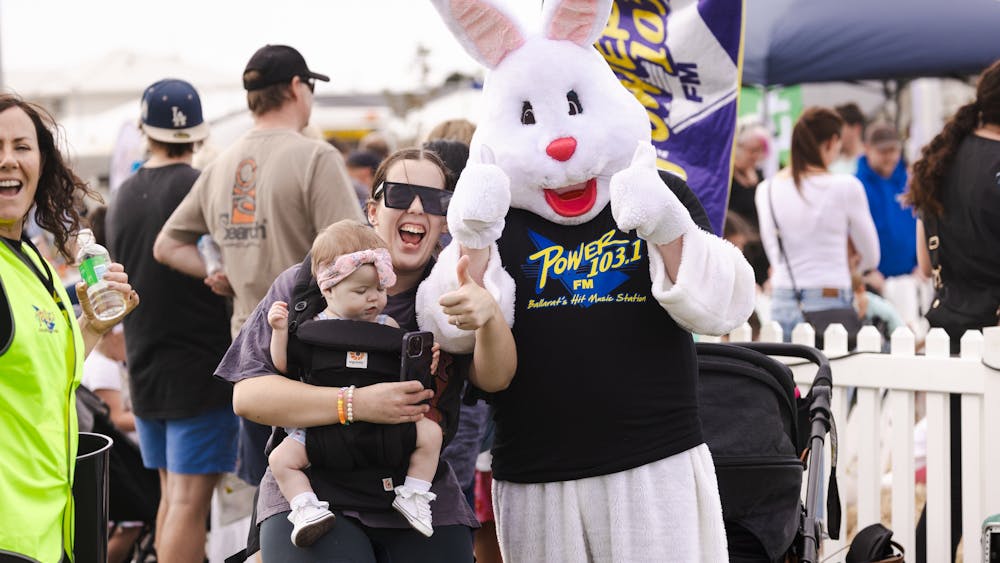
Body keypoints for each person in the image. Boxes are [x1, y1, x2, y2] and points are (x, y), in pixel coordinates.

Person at [217, 148, 515, 562]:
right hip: (313, 486)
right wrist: (355, 404)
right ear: (373, 211)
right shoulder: (308, 285)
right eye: (400, 194)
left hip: (414, 493)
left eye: (434, 200)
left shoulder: (449, 291)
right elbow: (248, 396)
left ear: (446, 220)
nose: (416, 208)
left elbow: (495, 378)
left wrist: (490, 316)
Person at [154, 44, 365, 489]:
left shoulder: (220, 164)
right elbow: (357, 254)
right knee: (322, 500)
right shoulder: (316, 157)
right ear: (297, 87)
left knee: (268, 497)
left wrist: (224, 275)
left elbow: (168, 246)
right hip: (314, 361)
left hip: (248, 358)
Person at [0, 94, 138, 563]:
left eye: (22, 146)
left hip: (49, 530)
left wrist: (93, 327)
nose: (8, 160)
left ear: (42, 163)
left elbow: (45, 371)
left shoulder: (32, 259)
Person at [107, 79, 238, 563]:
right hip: (200, 368)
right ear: (198, 133)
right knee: (188, 503)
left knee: (171, 496)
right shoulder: (201, 186)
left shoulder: (122, 196)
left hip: (145, 365)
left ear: (146, 129)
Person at [266, 220, 443, 545]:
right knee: (281, 459)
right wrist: (279, 332)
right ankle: (305, 507)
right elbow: (285, 366)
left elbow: (408, 377)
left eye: (380, 289)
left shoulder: (389, 326)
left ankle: (414, 493)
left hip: (383, 427)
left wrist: (426, 364)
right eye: (361, 292)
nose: (373, 299)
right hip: (322, 428)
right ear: (328, 289)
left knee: (432, 434)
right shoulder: (311, 328)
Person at [904, 58, 1000, 563]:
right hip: (995, 340)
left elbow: (925, 264)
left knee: (954, 475)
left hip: (949, 335)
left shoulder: (942, 158)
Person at [756, 106, 880, 340]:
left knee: (785, 365)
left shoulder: (766, 189)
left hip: (783, 297)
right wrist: (852, 268)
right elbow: (871, 256)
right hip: (830, 296)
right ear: (832, 141)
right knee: (835, 364)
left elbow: (775, 254)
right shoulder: (846, 187)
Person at [855, 121, 930, 330]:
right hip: (875, 283)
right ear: (867, 149)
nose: (889, 157)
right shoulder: (856, 184)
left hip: (912, 279)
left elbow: (923, 222)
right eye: (883, 152)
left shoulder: (910, 181)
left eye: (893, 150)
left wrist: (922, 263)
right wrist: (865, 272)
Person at [728, 120, 772, 286]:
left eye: (760, 151)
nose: (756, 156)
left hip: (763, 248)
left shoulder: (761, 176)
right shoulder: (727, 180)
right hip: (740, 248)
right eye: (752, 150)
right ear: (737, 147)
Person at [831, 102, 867, 174]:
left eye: (839, 127)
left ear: (856, 128)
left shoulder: (871, 161)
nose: (835, 133)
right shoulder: (831, 162)